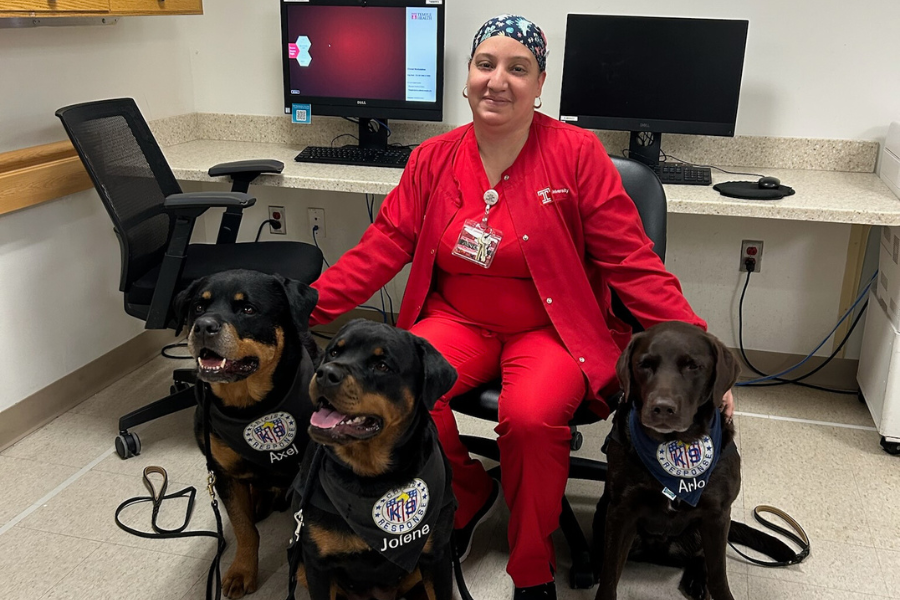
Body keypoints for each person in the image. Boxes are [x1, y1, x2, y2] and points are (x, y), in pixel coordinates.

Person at [309, 14, 734, 599]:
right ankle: (464, 495)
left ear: (539, 84)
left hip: (551, 328)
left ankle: (531, 566)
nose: (498, 80)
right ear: (467, 78)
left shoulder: (576, 154)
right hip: (457, 320)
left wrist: (701, 348)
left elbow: (632, 262)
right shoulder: (433, 158)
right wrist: (304, 306)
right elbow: (382, 245)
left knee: (531, 419)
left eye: (518, 68)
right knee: (402, 390)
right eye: (485, 65)